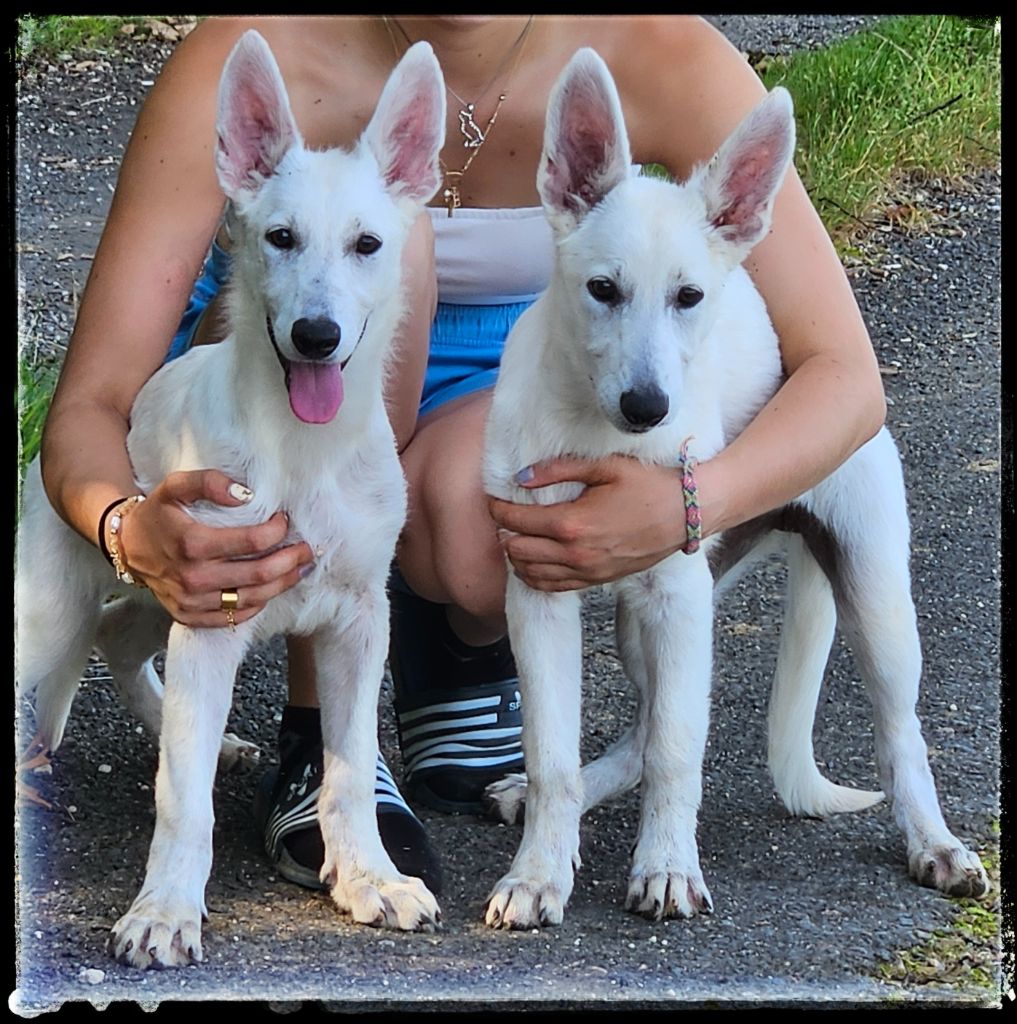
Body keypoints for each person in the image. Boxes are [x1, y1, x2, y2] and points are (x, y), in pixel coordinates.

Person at [37, 15, 886, 895]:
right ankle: (319, 740)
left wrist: (687, 503)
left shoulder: (660, 50)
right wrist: (123, 524)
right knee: (406, 255)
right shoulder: (257, 46)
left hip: (531, 374)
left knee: (501, 549)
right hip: (280, 370)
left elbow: (846, 379)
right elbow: (90, 403)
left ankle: (449, 650)